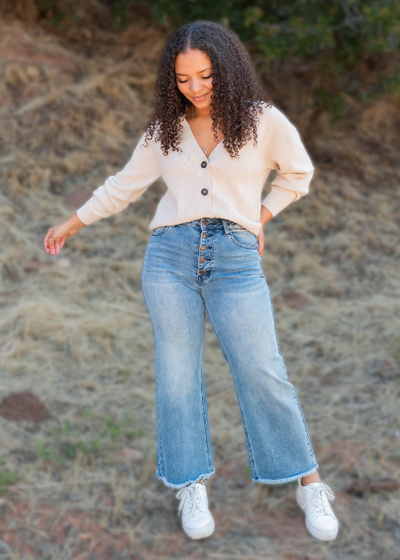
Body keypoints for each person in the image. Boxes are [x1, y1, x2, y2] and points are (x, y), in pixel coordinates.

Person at [44, 20, 338, 542]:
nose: (196, 88)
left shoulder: (263, 121)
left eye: (205, 76)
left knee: (262, 370)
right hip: (169, 260)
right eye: (183, 79)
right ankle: (190, 482)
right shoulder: (164, 131)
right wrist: (71, 223)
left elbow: (298, 174)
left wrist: (257, 217)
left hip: (235, 259)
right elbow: (123, 186)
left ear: (225, 70)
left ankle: (308, 481)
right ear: (170, 80)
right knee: (177, 376)